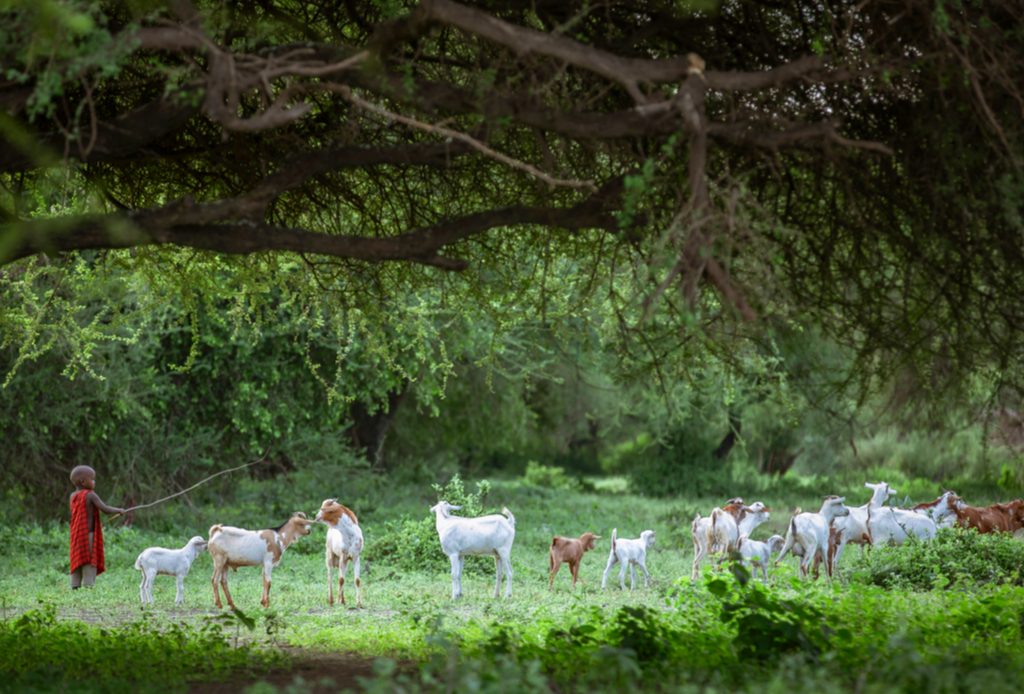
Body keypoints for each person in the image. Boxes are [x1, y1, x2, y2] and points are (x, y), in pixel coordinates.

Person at [69, 465, 125, 589]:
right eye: (92, 479)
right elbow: (105, 509)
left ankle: (74, 586)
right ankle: (89, 586)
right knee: (89, 560)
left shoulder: (72, 496)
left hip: (75, 535)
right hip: (88, 535)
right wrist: (119, 510)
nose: (94, 482)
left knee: (77, 560)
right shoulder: (90, 495)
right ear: (83, 482)